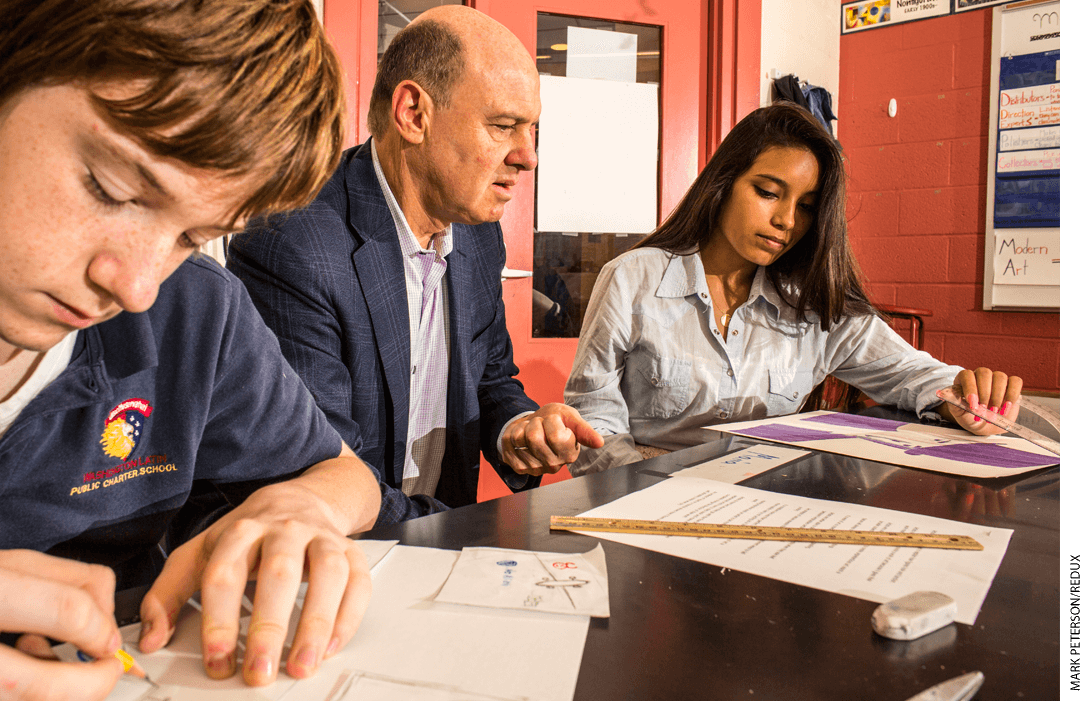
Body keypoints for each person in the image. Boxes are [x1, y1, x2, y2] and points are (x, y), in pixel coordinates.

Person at [0, 1, 380, 698]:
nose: (135, 287)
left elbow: (346, 477)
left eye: (193, 236)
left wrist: (303, 509)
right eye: (111, 190)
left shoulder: (195, 309)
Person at [227, 5, 602, 524]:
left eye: (531, 129)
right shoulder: (292, 242)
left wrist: (516, 429)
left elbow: (491, 380)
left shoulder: (478, 234)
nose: (527, 156)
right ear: (414, 114)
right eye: (503, 126)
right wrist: (461, 536)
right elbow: (317, 468)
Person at [564, 102, 1023, 476]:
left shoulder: (814, 300)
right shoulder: (633, 278)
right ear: (722, 184)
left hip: (767, 507)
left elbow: (914, 375)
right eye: (767, 192)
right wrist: (653, 497)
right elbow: (594, 425)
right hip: (644, 506)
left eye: (806, 206)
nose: (786, 221)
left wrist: (964, 396)